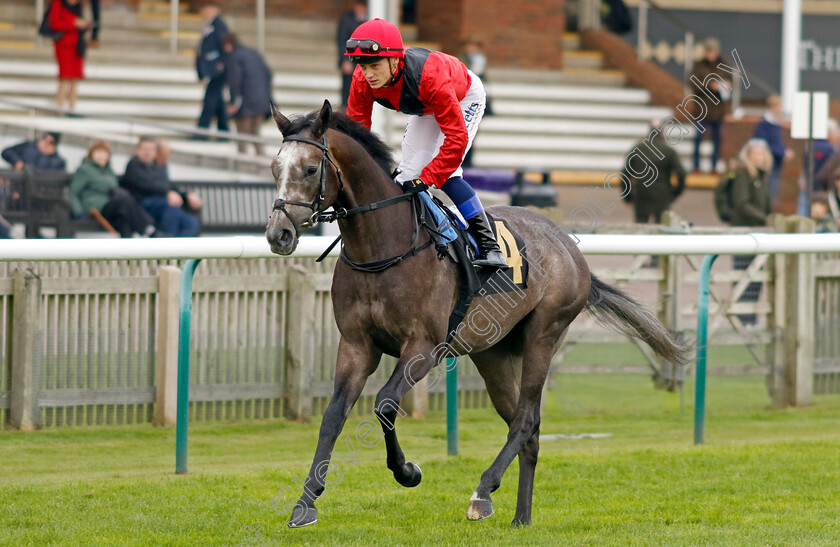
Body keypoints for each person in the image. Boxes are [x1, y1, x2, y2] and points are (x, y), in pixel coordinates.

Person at [344, 18, 507, 268]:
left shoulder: (430, 77)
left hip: (462, 96)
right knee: (406, 175)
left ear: (394, 60)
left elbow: (456, 140)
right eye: (363, 67)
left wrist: (428, 178)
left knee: (447, 172)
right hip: (427, 104)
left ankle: (489, 246)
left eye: (375, 66)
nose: (368, 75)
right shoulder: (362, 79)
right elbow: (357, 134)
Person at [69, 141, 158, 238]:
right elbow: (73, 193)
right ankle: (148, 229)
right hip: (95, 208)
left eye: (104, 153)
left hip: (109, 204)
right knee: (125, 200)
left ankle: (128, 249)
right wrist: (79, 213)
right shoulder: (85, 170)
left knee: (123, 219)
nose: (101, 156)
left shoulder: (108, 170)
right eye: (98, 152)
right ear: (91, 154)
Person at [728, 139, 773, 327]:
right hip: (744, 233)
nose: (759, 157)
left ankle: (750, 318)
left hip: (758, 233)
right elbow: (742, 204)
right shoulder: (743, 175)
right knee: (743, 275)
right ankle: (741, 318)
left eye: (761, 153)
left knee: (756, 277)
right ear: (748, 156)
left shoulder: (760, 177)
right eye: (755, 153)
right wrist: (765, 219)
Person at [121, 137, 200, 237]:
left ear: (155, 152)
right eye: (144, 149)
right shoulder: (133, 165)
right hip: (143, 205)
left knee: (191, 223)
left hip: (165, 204)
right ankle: (168, 247)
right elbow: (148, 185)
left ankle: (177, 248)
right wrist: (168, 193)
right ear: (137, 150)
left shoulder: (158, 166)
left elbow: (167, 185)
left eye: (151, 149)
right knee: (171, 206)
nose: (147, 152)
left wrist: (187, 195)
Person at [621, 119, 686, 224]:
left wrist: (628, 198)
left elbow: (625, 175)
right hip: (662, 195)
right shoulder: (669, 152)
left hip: (641, 194)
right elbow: (681, 174)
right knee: (661, 229)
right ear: (663, 133)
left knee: (640, 229)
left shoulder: (637, 149)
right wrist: (675, 193)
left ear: (649, 132)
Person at [222, 33, 273, 155]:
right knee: (255, 132)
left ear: (228, 45)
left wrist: (234, 103)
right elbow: (269, 74)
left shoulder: (234, 57)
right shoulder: (254, 53)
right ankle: (261, 158)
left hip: (245, 102)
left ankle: (242, 162)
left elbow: (235, 81)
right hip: (262, 100)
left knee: (242, 136)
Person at [688, 38, 731, 174]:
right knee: (698, 140)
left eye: (713, 51)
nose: (710, 54)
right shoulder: (698, 66)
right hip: (702, 110)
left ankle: (714, 167)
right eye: (708, 51)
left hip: (718, 111)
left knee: (717, 141)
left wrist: (726, 86)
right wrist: (711, 86)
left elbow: (730, 82)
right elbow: (693, 83)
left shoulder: (724, 65)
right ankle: (696, 166)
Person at [49, 0, 92, 111]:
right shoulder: (58, 3)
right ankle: (60, 107)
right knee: (64, 76)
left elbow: (81, 22)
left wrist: (84, 26)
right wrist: (73, 23)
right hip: (63, 45)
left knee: (75, 78)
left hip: (77, 45)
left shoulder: (79, 4)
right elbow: (54, 23)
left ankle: (72, 107)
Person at [195, 2, 229, 137]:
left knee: (210, 100)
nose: (202, 11)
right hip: (214, 70)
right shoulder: (212, 25)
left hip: (217, 71)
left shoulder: (219, 26)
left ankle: (201, 131)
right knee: (218, 101)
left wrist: (220, 64)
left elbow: (224, 47)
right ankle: (224, 130)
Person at [753, 95, 793, 205]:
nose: (781, 110)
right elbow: (762, 145)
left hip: (776, 163)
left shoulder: (775, 124)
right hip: (767, 164)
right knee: (767, 191)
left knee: (773, 191)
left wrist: (784, 152)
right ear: (772, 107)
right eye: (779, 107)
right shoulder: (764, 125)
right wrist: (782, 152)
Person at [798, 119, 839, 216]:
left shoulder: (808, 146)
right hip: (823, 190)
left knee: (804, 213)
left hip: (807, 185)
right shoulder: (831, 149)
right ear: (829, 133)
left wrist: (802, 180)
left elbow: (803, 166)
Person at [336, 0, 368, 108]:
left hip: (363, 61)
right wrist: (344, 60)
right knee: (347, 87)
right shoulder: (346, 19)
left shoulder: (369, 20)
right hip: (350, 59)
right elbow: (341, 40)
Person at [2, 132, 66, 171]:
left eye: (51, 142)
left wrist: (47, 155)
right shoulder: (28, 146)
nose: (46, 144)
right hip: (17, 183)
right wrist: (17, 161)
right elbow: (6, 152)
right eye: (45, 139)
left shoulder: (58, 162)